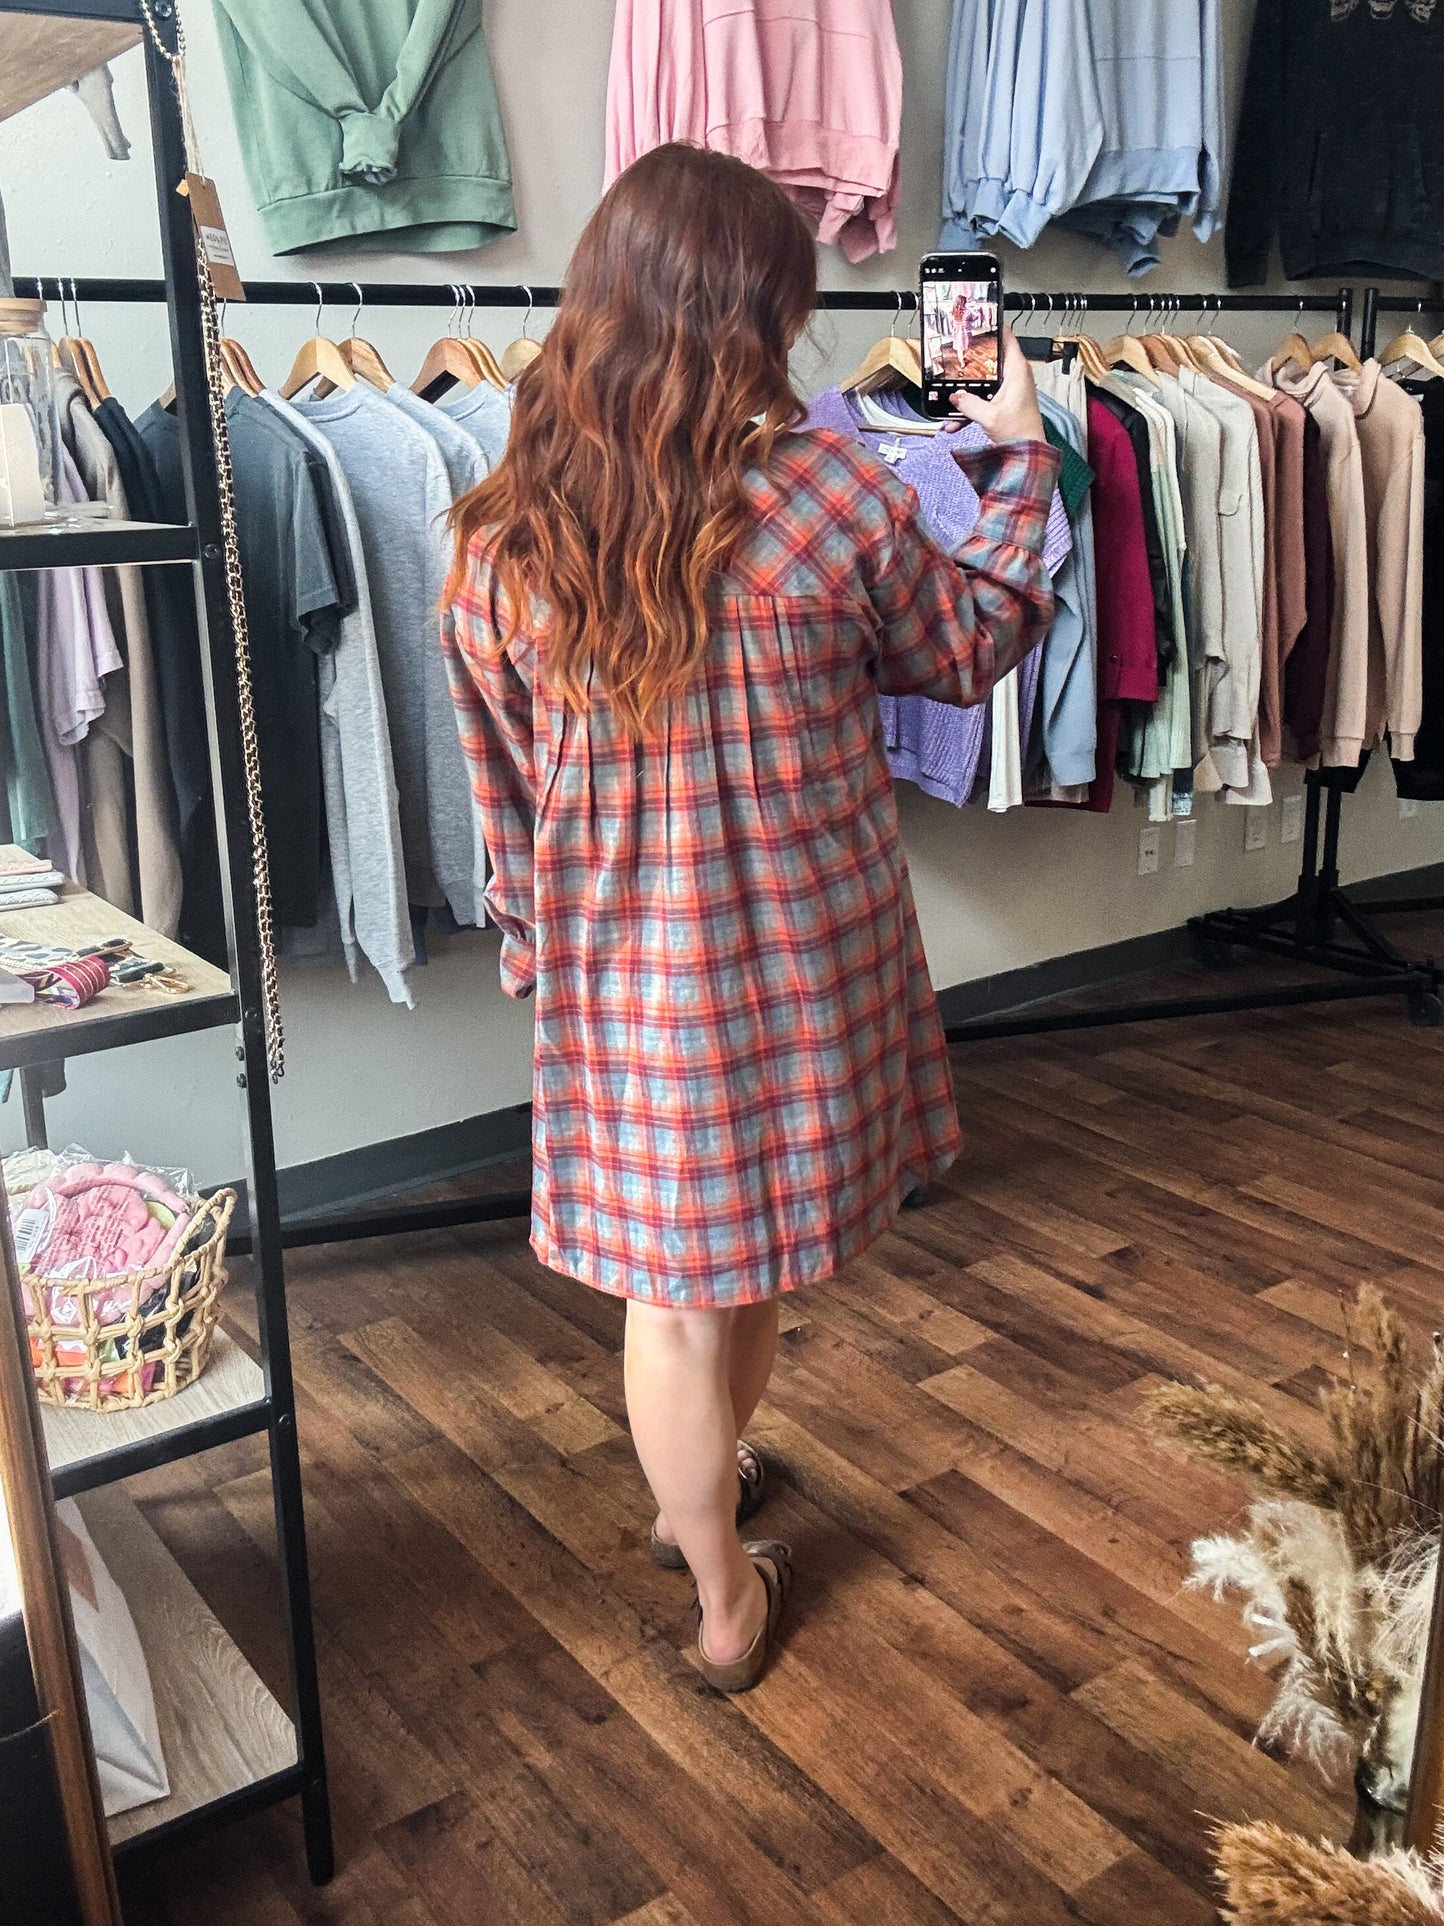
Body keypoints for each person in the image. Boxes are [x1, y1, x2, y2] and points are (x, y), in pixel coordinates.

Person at [443, 143, 1060, 1694]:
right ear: (755, 316)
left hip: (625, 980)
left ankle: (701, 1532)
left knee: (672, 1292)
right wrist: (1018, 456)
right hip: (801, 964)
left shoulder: (502, 536)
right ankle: (716, 1573)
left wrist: (534, 948)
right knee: (755, 1259)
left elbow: (499, 789)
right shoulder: (833, 499)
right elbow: (970, 644)